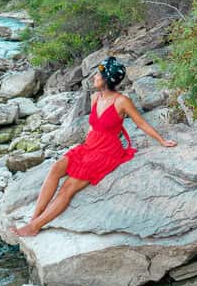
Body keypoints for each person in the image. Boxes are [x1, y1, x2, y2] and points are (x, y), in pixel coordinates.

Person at [14, 56, 176, 237]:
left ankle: (35, 227)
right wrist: (86, 146)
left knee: (68, 187)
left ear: (107, 79)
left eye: (98, 75)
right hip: (89, 146)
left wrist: (162, 141)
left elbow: (141, 124)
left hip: (107, 152)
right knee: (56, 168)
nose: (94, 78)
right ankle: (34, 218)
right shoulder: (94, 97)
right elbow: (94, 125)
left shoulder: (122, 101)